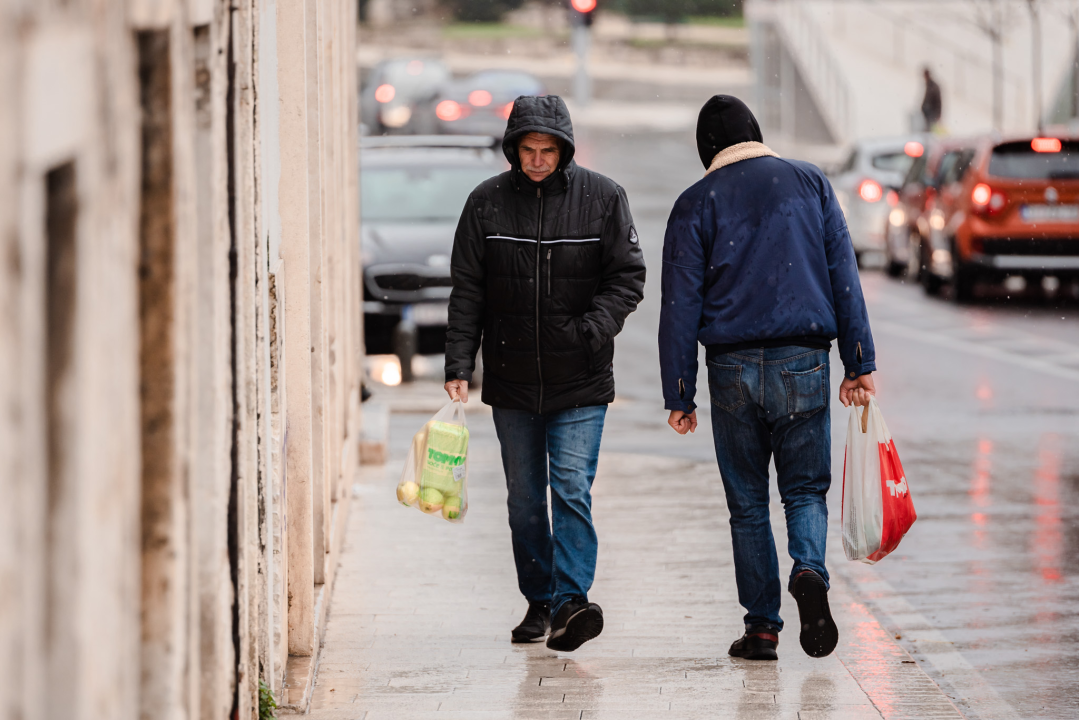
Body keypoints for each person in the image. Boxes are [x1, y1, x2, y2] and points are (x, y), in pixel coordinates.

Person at [658, 95, 877, 661]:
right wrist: (859, 360)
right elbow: (842, 272)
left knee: (748, 504)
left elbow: (680, 304)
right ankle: (808, 571)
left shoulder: (694, 203)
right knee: (804, 489)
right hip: (803, 357)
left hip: (731, 369)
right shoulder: (810, 183)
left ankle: (761, 630)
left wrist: (679, 392)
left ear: (707, 148)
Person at [444, 94, 646, 651]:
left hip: (580, 379)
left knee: (572, 489)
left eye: (548, 150)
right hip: (510, 381)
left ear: (564, 150)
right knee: (525, 499)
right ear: (514, 150)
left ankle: (571, 601)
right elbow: (468, 291)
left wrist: (590, 329)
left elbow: (627, 278)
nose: (538, 160)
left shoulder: (603, 198)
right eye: (529, 150)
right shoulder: (486, 203)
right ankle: (539, 599)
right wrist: (460, 362)